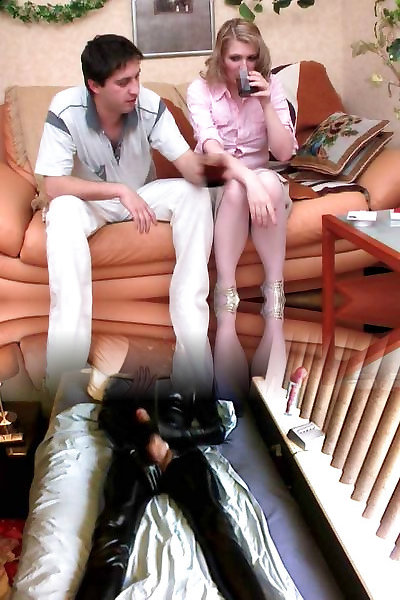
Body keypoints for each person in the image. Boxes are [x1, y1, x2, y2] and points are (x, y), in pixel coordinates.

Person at [35, 34, 213, 390]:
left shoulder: (149, 105)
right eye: (123, 82)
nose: (135, 89)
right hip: (90, 202)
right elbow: (53, 185)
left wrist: (244, 176)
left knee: (194, 194)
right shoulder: (65, 109)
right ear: (94, 86)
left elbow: (188, 166)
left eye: (137, 77)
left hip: (144, 194)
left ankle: (194, 371)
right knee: (62, 210)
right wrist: (118, 191)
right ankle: (64, 380)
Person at [74, 375, 267, 600]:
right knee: (112, 533)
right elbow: (108, 419)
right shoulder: (125, 379)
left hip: (180, 455)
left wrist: (161, 435)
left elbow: (216, 429)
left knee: (216, 526)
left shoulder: (194, 379)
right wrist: (146, 436)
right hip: (135, 455)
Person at [187, 18, 298, 318]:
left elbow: (284, 153)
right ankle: (226, 291)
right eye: (235, 58)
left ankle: (274, 291)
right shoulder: (201, 90)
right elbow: (212, 149)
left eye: (251, 58)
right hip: (217, 178)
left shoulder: (271, 86)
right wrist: (250, 180)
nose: (244, 67)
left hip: (261, 177)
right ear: (220, 57)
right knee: (238, 187)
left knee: (271, 183)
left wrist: (266, 104)